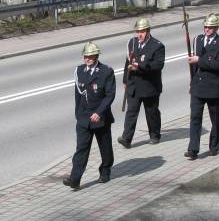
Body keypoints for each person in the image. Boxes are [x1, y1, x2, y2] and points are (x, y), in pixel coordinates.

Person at [63, 42, 116, 190]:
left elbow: (109, 95)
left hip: (100, 117)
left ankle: (105, 172)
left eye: (90, 56)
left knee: (105, 147)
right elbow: (78, 95)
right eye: (85, 56)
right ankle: (75, 179)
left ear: (96, 56)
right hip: (84, 118)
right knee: (81, 148)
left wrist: (99, 112)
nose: (87, 59)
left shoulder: (106, 71)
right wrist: (78, 114)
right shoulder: (79, 71)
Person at [185, 13, 219, 160]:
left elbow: (218, 65)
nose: (207, 30)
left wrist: (200, 60)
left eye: (210, 27)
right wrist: (191, 80)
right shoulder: (197, 39)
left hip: (214, 87)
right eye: (205, 27)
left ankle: (214, 146)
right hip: (198, 86)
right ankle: (193, 149)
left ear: (216, 28)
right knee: (195, 118)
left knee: (216, 119)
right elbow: (193, 62)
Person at [117, 17, 165, 148]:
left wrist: (140, 66)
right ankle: (127, 138)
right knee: (131, 112)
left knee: (152, 112)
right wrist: (125, 80)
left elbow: (158, 65)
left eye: (142, 31)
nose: (140, 34)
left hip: (150, 85)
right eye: (138, 31)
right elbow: (128, 61)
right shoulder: (132, 42)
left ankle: (155, 135)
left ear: (148, 31)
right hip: (133, 85)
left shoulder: (157, 46)